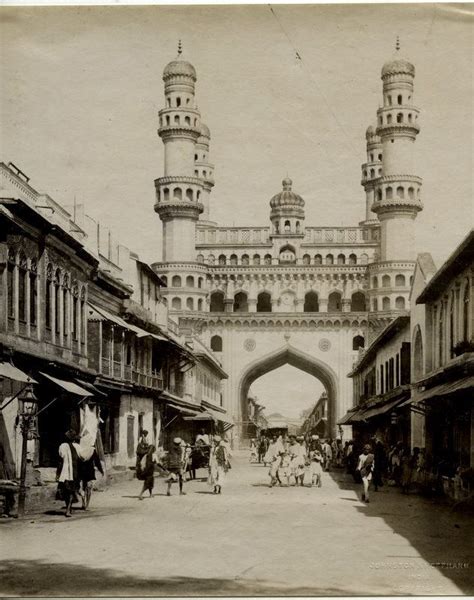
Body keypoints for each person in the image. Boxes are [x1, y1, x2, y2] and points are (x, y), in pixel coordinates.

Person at [56, 429, 81, 518]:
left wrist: (58, 473)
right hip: (74, 472)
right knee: (71, 491)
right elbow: (81, 457)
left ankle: (68, 508)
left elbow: (60, 460)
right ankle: (68, 509)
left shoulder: (62, 446)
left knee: (67, 491)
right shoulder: (77, 446)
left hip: (65, 472)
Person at [76, 434, 104, 510]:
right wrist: (101, 470)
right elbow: (97, 461)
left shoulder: (79, 450)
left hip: (81, 471)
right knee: (89, 488)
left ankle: (83, 503)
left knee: (83, 488)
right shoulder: (92, 450)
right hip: (89, 471)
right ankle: (87, 505)